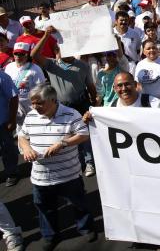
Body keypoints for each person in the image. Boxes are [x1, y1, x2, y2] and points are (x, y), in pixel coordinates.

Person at [18, 84, 95, 250]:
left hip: (69, 174)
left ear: (53, 100)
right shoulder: (31, 116)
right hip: (41, 177)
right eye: (33, 103)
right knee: (45, 209)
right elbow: (22, 136)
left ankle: (86, 228)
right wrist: (26, 148)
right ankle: (50, 236)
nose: (35, 107)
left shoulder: (71, 114)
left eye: (39, 103)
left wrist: (62, 143)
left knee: (78, 204)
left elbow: (83, 134)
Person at [30, 27, 97, 177]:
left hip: (81, 104)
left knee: (83, 134)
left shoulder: (83, 65)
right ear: (57, 49)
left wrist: (94, 104)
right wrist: (46, 35)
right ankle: (76, 162)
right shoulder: (52, 64)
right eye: (62, 47)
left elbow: (91, 86)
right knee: (66, 136)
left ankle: (89, 162)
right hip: (60, 107)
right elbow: (34, 54)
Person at [4, 42, 45, 135]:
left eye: (22, 54)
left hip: (29, 106)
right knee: (18, 132)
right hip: (13, 105)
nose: (18, 56)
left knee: (31, 131)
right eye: (16, 53)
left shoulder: (35, 69)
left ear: (27, 54)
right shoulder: (9, 67)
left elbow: (41, 89)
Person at [134, 40, 160, 107]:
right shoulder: (140, 64)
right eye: (148, 48)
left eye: (153, 48)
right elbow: (137, 83)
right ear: (144, 51)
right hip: (148, 102)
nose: (151, 50)